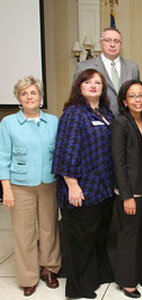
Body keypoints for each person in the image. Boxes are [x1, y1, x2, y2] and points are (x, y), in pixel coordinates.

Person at [52, 69, 115, 299]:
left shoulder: (105, 112)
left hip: (103, 189)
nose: (93, 85)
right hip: (82, 189)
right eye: (87, 82)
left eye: (97, 82)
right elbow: (64, 153)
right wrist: (72, 185)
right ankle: (79, 287)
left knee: (98, 236)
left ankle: (97, 276)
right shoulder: (73, 114)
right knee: (81, 240)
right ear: (79, 86)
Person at [0, 76, 60, 297]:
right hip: (20, 186)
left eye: (33, 93)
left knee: (49, 228)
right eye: (24, 93)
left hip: (49, 183)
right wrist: (6, 189)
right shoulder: (8, 123)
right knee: (24, 232)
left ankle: (49, 269)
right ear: (18, 98)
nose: (29, 97)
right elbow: (2, 157)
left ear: (40, 97)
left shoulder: (53, 121)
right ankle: (28, 276)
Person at [111, 80, 142, 298]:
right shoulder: (121, 123)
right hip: (131, 192)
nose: (138, 100)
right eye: (132, 96)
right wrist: (127, 196)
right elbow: (118, 162)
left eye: (141, 95)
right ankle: (128, 281)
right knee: (129, 236)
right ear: (124, 101)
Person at [74, 27, 140, 116]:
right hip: (96, 121)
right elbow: (76, 97)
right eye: (107, 40)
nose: (112, 44)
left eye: (116, 41)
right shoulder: (84, 67)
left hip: (127, 122)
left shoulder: (132, 67)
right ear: (100, 43)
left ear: (121, 44)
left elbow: (138, 95)